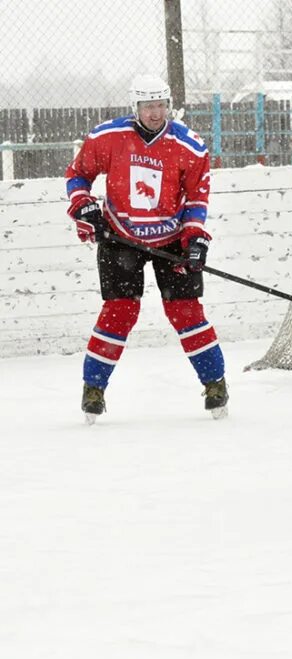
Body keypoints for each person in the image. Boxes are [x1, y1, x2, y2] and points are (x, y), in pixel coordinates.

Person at [66, 74, 228, 423]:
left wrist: (195, 238)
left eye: (160, 105)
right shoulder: (107, 137)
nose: (155, 113)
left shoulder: (189, 144)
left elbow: (198, 196)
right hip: (120, 238)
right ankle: (93, 388)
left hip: (170, 240)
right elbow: (77, 175)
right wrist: (85, 205)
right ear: (134, 106)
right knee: (119, 312)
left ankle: (215, 383)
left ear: (168, 105)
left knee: (186, 312)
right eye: (147, 105)